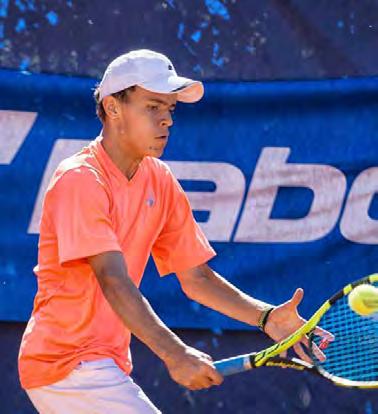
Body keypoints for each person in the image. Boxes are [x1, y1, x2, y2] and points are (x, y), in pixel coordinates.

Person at [18, 49, 329, 414]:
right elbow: (113, 280)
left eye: (170, 109)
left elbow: (196, 277)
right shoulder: (80, 180)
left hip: (102, 364)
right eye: (152, 107)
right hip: (66, 363)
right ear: (114, 107)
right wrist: (175, 352)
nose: (166, 120)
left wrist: (266, 317)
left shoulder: (159, 179)